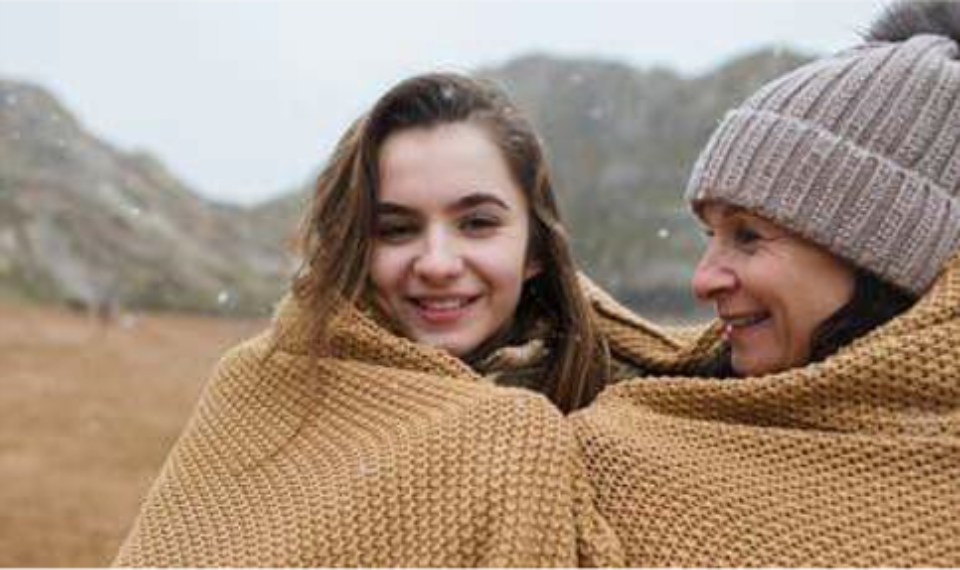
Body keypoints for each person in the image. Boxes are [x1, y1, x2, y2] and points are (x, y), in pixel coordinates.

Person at [112, 72, 647, 567]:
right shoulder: (260, 385)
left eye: (477, 223)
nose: (437, 263)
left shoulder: (628, 413)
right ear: (354, 246)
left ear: (535, 249)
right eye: (395, 229)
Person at [570, 0, 960, 564]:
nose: (703, 280)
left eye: (748, 235)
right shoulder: (635, 437)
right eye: (710, 234)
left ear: (883, 258)